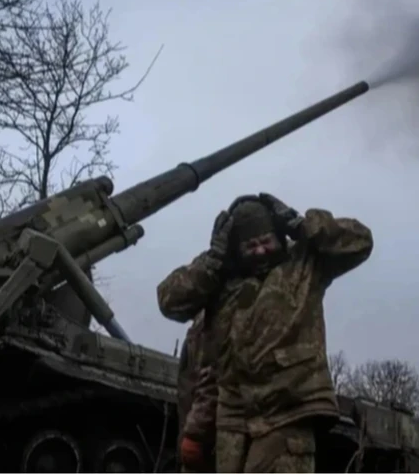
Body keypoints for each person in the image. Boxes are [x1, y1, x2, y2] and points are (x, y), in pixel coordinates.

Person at [157, 193, 373, 473]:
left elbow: (360, 241)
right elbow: (170, 301)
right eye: (250, 246)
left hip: (288, 412)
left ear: (279, 236)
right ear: (236, 249)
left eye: (266, 241)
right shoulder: (220, 276)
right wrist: (212, 261)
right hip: (233, 421)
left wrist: (302, 225)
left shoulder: (304, 263)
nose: (260, 251)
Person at [176, 310, 216, 472]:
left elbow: (210, 380)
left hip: (205, 440)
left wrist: (194, 433)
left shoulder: (207, 325)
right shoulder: (200, 326)